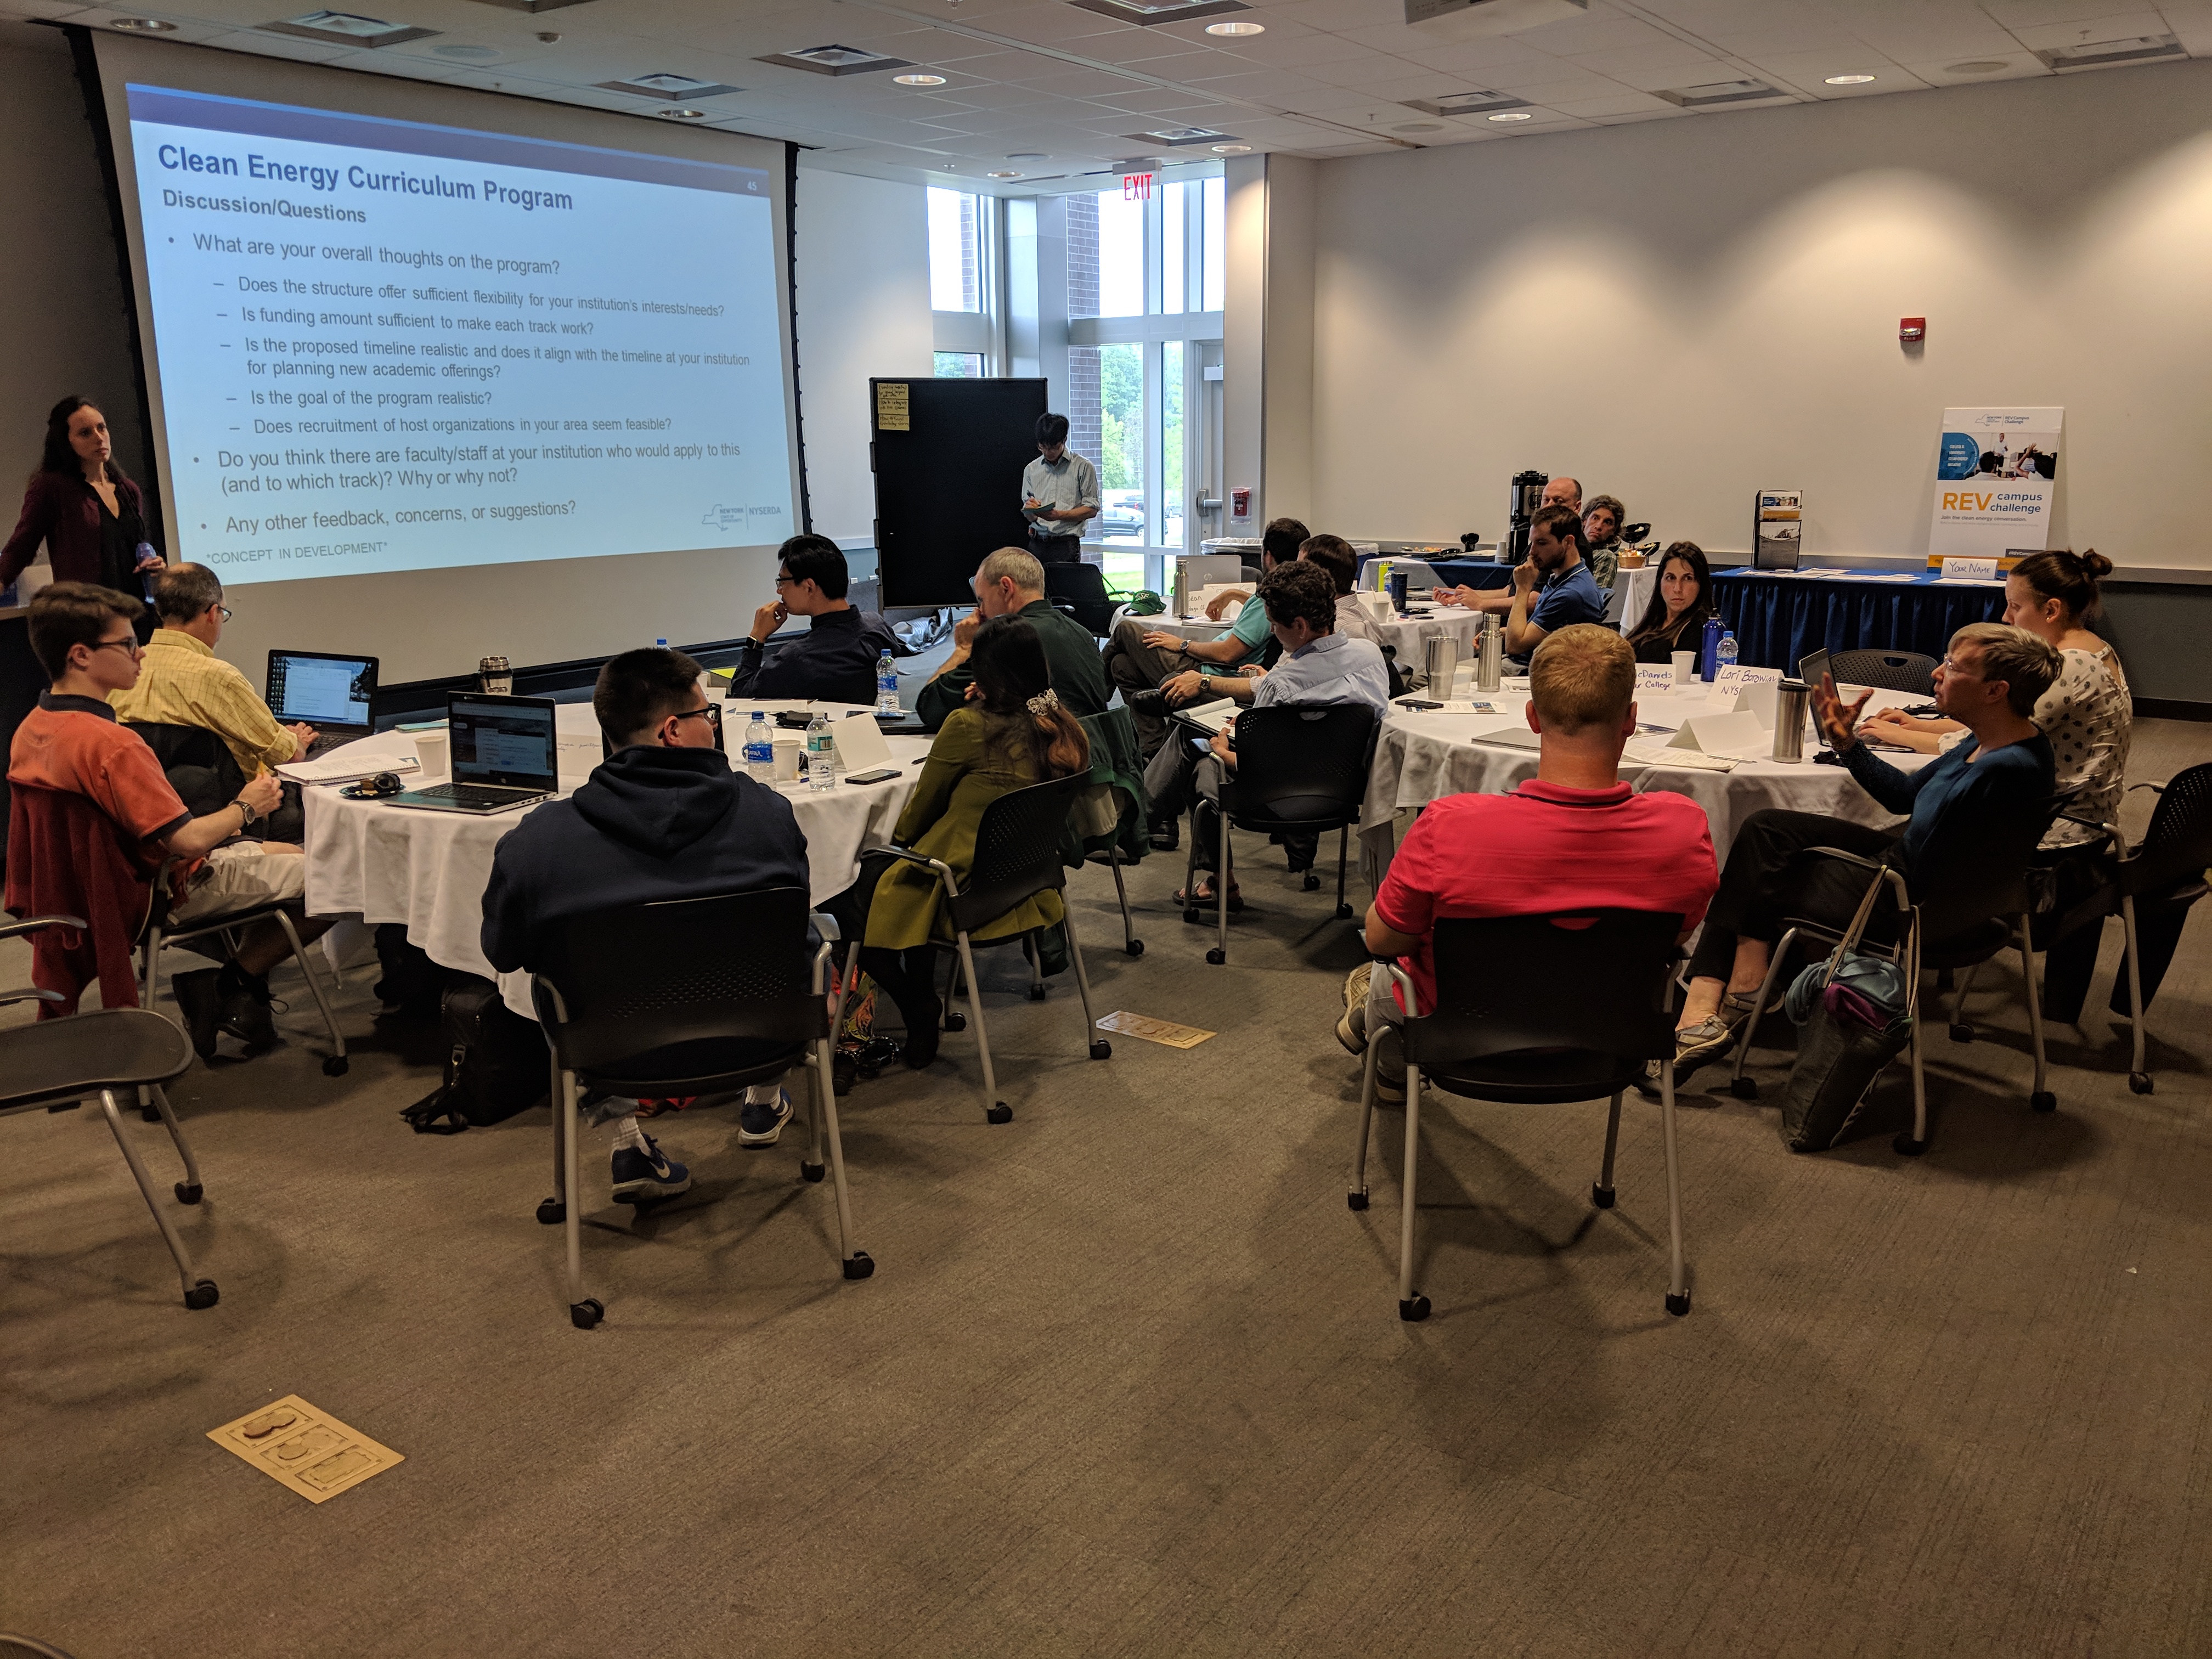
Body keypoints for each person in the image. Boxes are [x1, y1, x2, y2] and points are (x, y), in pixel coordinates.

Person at [482, 647, 810, 1203]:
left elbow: (502, 951)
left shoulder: (538, 842)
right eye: (708, 714)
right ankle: (762, 1099)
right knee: (801, 939)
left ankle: (625, 1141)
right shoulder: (769, 816)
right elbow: (796, 919)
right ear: (674, 731)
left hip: (612, 1053)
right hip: (757, 1039)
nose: (714, 725)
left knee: (548, 978)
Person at [1337, 624, 1718, 1099]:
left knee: (1380, 972)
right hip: (1613, 1036)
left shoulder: (1449, 826)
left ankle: (1392, 1076)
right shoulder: (1684, 831)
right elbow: (1675, 938)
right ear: (1630, 720)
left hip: (1459, 1035)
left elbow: (1382, 937)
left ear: (1533, 717)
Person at [1672, 622, 2059, 1069]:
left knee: (1754, 874)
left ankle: (1705, 1007)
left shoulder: (2006, 770)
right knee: (1765, 831)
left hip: (1905, 901)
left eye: (1953, 667)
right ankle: (1744, 973)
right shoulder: (1990, 741)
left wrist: (1818, 872)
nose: (1938, 673)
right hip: (1909, 872)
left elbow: (1927, 877)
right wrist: (1848, 744)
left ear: (1996, 691)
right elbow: (1904, 796)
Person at [6, 582, 328, 1054]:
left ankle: (240, 994)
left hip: (89, 902)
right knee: (342, 873)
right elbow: (191, 842)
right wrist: (247, 805)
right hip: (159, 891)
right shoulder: (112, 746)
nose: (140, 656)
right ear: (81, 656)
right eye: (128, 644)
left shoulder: (34, 728)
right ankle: (230, 985)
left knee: (294, 853)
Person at [856, 616, 1091, 1068]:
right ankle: (925, 1000)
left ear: (983, 674)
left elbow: (919, 811)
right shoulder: (1060, 727)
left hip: (961, 889)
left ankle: (917, 1004)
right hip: (1025, 885)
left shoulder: (967, 726)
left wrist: (894, 847)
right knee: (909, 878)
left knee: (859, 898)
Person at [1149, 559, 1390, 909]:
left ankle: (1149, 832)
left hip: (1277, 797)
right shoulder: (1369, 656)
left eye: (1275, 626)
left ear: (1300, 626)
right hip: (1346, 791)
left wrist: (1222, 749)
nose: (1273, 633)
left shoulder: (1281, 686)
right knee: (1197, 747)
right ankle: (1145, 826)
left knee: (1200, 753)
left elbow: (1258, 768)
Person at [1857, 550, 2128, 848]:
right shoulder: (2095, 648)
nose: (2005, 617)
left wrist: (1901, 735)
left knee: (1910, 826)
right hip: (2075, 820)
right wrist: (1915, 725)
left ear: (2051, 610)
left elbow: (1983, 741)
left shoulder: (2069, 668)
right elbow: (1989, 726)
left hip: (2057, 835)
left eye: (2015, 606)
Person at [1101, 515, 1306, 759]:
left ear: (1267, 555)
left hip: (1209, 669)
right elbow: (1257, 617)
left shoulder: (1271, 599)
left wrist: (1183, 644)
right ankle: (1152, 748)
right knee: (1121, 666)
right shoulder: (1290, 593)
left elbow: (1227, 653)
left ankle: (1092, 695)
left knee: (1125, 629)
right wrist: (1233, 593)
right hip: (1214, 666)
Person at [108, 563, 313, 785]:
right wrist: (297, 741)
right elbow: (290, 757)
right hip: (233, 809)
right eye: (223, 612)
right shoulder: (220, 678)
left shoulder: (120, 672)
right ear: (213, 613)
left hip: (142, 804)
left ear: (160, 611)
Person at [1, 398, 166, 622]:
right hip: (87, 618)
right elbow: (21, 548)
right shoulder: (52, 488)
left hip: (135, 614)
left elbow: (130, 550)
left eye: (102, 428)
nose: (99, 438)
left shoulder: (129, 490)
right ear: (66, 442)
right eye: (86, 433)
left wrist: (153, 566)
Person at [915, 546, 1110, 732]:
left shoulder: (1006, 639)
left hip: (1047, 758)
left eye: (982, 599)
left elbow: (931, 707)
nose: (981, 611)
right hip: (1095, 754)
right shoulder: (1081, 632)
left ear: (1006, 588)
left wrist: (964, 649)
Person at [726, 534, 900, 706]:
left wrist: (756, 638)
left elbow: (742, 700)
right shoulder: (878, 627)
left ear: (809, 586)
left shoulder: (798, 657)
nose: (779, 591)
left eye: (782, 582)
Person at [1435, 477, 1584, 615]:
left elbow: (1535, 600)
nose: (1549, 506)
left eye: (1558, 501)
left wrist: (1480, 603)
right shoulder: (1540, 541)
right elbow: (1511, 591)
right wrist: (1464, 595)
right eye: (1546, 500)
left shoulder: (1570, 547)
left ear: (1577, 507)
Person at [1489, 504, 1606, 667]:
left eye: (1542, 543)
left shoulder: (1571, 594)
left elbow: (1515, 646)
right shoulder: (1565, 577)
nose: (1532, 552)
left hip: (1531, 671)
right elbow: (1536, 631)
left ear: (1568, 542)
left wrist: (1523, 589)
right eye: (1532, 543)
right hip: (1527, 664)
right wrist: (1499, 633)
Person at [1021, 413, 1100, 564]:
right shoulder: (1031, 469)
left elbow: (1092, 509)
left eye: (1053, 448)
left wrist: (1058, 515)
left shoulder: (1083, 467)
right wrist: (1030, 511)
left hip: (1066, 544)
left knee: (1066, 587)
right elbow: (1030, 517)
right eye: (1043, 447)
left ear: (1064, 440)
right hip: (1037, 542)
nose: (1048, 453)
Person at [1623, 542, 1716, 665]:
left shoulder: (1701, 627)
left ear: (1701, 585)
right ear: (1660, 582)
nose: (1678, 588)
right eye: (1671, 578)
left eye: (1688, 578)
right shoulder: (1656, 619)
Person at [1297, 534, 1385, 646]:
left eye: (1300, 570)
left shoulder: (1334, 628)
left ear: (1319, 577)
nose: (1295, 576)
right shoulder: (1360, 612)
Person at [1582, 493, 1628, 591]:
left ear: (1613, 531)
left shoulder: (1605, 557)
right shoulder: (1569, 547)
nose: (1599, 526)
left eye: (1607, 522)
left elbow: (1592, 600)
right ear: (1585, 520)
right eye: (1595, 518)